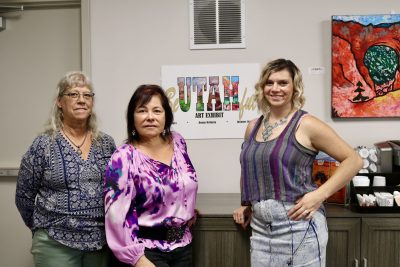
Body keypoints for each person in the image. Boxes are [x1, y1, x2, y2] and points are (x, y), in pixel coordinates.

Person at [233, 59, 363, 267]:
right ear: (262, 87)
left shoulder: (307, 124)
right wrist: (246, 203)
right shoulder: (252, 126)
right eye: (269, 82)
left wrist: (319, 195)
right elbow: (248, 168)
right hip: (260, 229)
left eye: (283, 83)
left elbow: (354, 160)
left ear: (295, 88)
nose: (275, 88)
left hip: (299, 226)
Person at [15, 71, 116, 267]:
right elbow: (23, 196)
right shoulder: (43, 144)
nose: (81, 100)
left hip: (99, 243)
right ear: (59, 101)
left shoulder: (106, 143)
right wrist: (42, 228)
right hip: (55, 243)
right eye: (73, 94)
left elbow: (119, 191)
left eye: (87, 95)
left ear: (92, 103)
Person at [104, 84, 198, 267]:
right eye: (142, 110)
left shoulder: (178, 142)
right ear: (133, 117)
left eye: (157, 110)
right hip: (146, 253)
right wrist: (138, 260)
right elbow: (116, 217)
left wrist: (184, 206)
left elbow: (182, 183)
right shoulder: (123, 157)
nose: (150, 117)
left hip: (184, 246)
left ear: (166, 116)